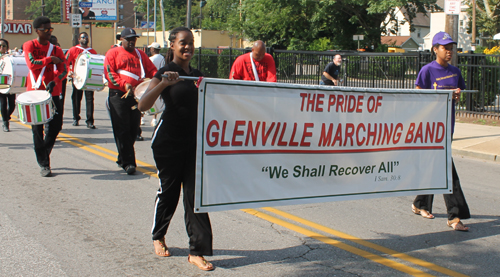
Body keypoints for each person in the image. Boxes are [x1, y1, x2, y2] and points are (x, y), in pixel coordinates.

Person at [138, 26, 214, 271]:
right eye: (183, 42)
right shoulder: (164, 72)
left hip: (194, 144)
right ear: (172, 45)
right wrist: (163, 84)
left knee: (196, 198)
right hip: (168, 144)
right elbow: (143, 105)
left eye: (191, 42)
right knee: (169, 193)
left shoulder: (198, 75)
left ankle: (197, 251)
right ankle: (158, 236)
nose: (188, 47)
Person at [411, 31, 470, 231]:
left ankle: (420, 204)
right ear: (435, 49)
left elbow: (457, 97)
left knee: (434, 166)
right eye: (445, 48)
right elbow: (418, 99)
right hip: (431, 128)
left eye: (451, 48)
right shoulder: (427, 71)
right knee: (446, 170)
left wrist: (455, 96)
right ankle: (455, 216)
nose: (449, 51)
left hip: (448, 127)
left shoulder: (455, 71)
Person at [103, 28, 157, 174]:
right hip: (118, 95)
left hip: (134, 96)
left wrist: (159, 78)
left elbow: (152, 70)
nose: (132, 41)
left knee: (133, 129)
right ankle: (129, 163)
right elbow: (109, 73)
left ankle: (122, 157)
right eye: (129, 39)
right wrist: (123, 84)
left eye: (134, 39)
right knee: (122, 129)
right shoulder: (113, 53)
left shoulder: (140, 55)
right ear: (122, 39)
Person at [23, 16, 67, 177]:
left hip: (52, 93)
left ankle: (44, 152)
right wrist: (49, 60)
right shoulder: (29, 45)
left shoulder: (56, 49)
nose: (49, 32)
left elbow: (64, 70)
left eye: (50, 29)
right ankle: (44, 164)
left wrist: (55, 81)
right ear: (37, 31)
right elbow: (32, 64)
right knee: (37, 129)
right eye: (45, 30)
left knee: (56, 126)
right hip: (34, 93)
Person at [66, 32, 98, 129]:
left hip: (88, 78)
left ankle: (90, 121)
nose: (85, 39)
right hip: (77, 78)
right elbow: (65, 62)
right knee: (76, 98)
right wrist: (69, 72)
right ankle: (76, 118)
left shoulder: (92, 51)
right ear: (79, 39)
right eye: (83, 37)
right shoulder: (73, 50)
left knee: (89, 99)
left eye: (86, 37)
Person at [0, 38, 16, 132]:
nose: (1, 47)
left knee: (12, 104)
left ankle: (7, 116)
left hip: (10, 83)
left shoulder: (9, 57)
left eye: (4, 46)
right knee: (3, 103)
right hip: (1, 84)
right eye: (0, 46)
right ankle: (5, 122)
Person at [148, 42, 164, 126]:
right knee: (156, 99)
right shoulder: (162, 58)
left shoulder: (150, 59)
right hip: (160, 80)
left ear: (153, 49)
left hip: (151, 80)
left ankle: (142, 117)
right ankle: (154, 118)